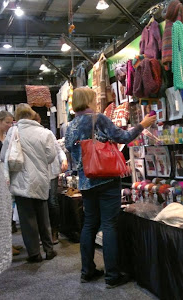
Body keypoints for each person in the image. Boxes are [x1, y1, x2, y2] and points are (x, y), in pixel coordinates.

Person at [65, 87, 156, 288]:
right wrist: (142, 124)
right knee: (109, 225)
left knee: (89, 225)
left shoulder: (70, 126)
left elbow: (70, 151)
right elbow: (122, 138)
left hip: (86, 181)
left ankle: (87, 271)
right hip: (106, 179)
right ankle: (112, 275)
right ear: (89, 100)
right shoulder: (98, 119)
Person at [1, 104, 57, 263]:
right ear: (32, 115)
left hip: (20, 180)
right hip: (40, 179)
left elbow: (5, 155)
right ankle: (49, 249)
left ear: (17, 116)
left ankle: (34, 253)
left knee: (27, 220)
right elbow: (51, 156)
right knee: (43, 217)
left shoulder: (13, 131)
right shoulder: (45, 132)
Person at [34, 113, 68, 244]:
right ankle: (45, 233)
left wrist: (63, 159)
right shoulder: (24, 134)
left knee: (52, 201)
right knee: (41, 203)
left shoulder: (47, 133)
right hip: (37, 172)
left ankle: (54, 230)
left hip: (51, 171)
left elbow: (58, 148)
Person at [0, 111, 21, 256]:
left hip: (7, 177)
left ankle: (8, 243)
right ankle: (4, 246)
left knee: (8, 211)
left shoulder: (6, 136)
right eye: (7, 122)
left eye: (11, 123)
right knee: (2, 213)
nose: (10, 125)